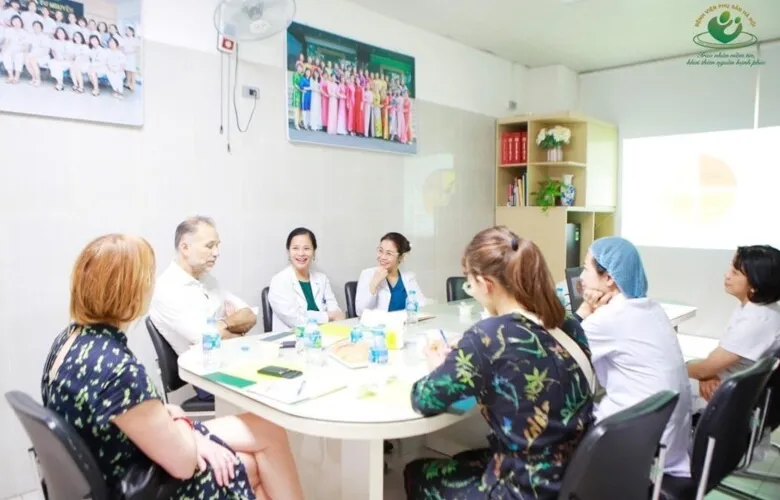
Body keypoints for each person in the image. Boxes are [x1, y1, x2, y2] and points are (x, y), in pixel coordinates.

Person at [41, 234, 304, 499]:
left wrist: (184, 427)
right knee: (249, 466)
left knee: (268, 429)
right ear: (131, 292)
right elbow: (183, 463)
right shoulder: (118, 370)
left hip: (119, 454)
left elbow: (126, 409)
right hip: (134, 479)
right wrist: (183, 424)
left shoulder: (70, 341)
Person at [403, 227, 594, 499]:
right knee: (467, 456)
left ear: (486, 284)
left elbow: (424, 398)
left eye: (470, 284)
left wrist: (437, 365)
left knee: (418, 472)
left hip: (522, 489)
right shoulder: (568, 325)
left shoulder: (487, 337)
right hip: (573, 475)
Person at [574, 236, 692, 478]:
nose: (581, 278)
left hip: (643, 444)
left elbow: (559, 350)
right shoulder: (650, 308)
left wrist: (585, 310)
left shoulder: (610, 318)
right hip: (666, 436)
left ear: (609, 278)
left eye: (586, 269)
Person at [149, 216, 257, 402]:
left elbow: (250, 315)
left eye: (218, 246)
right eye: (209, 246)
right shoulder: (167, 290)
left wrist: (224, 325)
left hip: (232, 362)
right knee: (268, 391)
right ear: (185, 248)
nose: (216, 253)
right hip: (209, 379)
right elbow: (206, 339)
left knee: (284, 373)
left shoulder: (208, 280)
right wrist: (238, 333)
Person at [688, 245, 780, 408]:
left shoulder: (755, 320)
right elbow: (711, 365)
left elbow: (705, 369)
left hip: (725, 395)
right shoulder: (761, 308)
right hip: (728, 382)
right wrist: (706, 374)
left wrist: (702, 373)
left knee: (659, 382)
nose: (727, 274)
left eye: (735, 272)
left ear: (756, 284)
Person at [268, 227, 344, 332]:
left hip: (325, 336)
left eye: (307, 248)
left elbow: (336, 312)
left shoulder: (322, 279)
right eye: (295, 248)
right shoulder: (279, 281)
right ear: (288, 252)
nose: (301, 253)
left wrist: (330, 315)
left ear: (314, 252)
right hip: (291, 341)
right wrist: (328, 316)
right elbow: (295, 320)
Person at [355, 232, 426, 316]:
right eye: (380, 251)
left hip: (406, 325)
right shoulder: (367, 274)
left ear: (401, 257)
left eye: (389, 253)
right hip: (380, 327)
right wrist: (374, 283)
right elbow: (360, 312)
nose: (382, 257)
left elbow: (422, 305)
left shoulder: (409, 277)